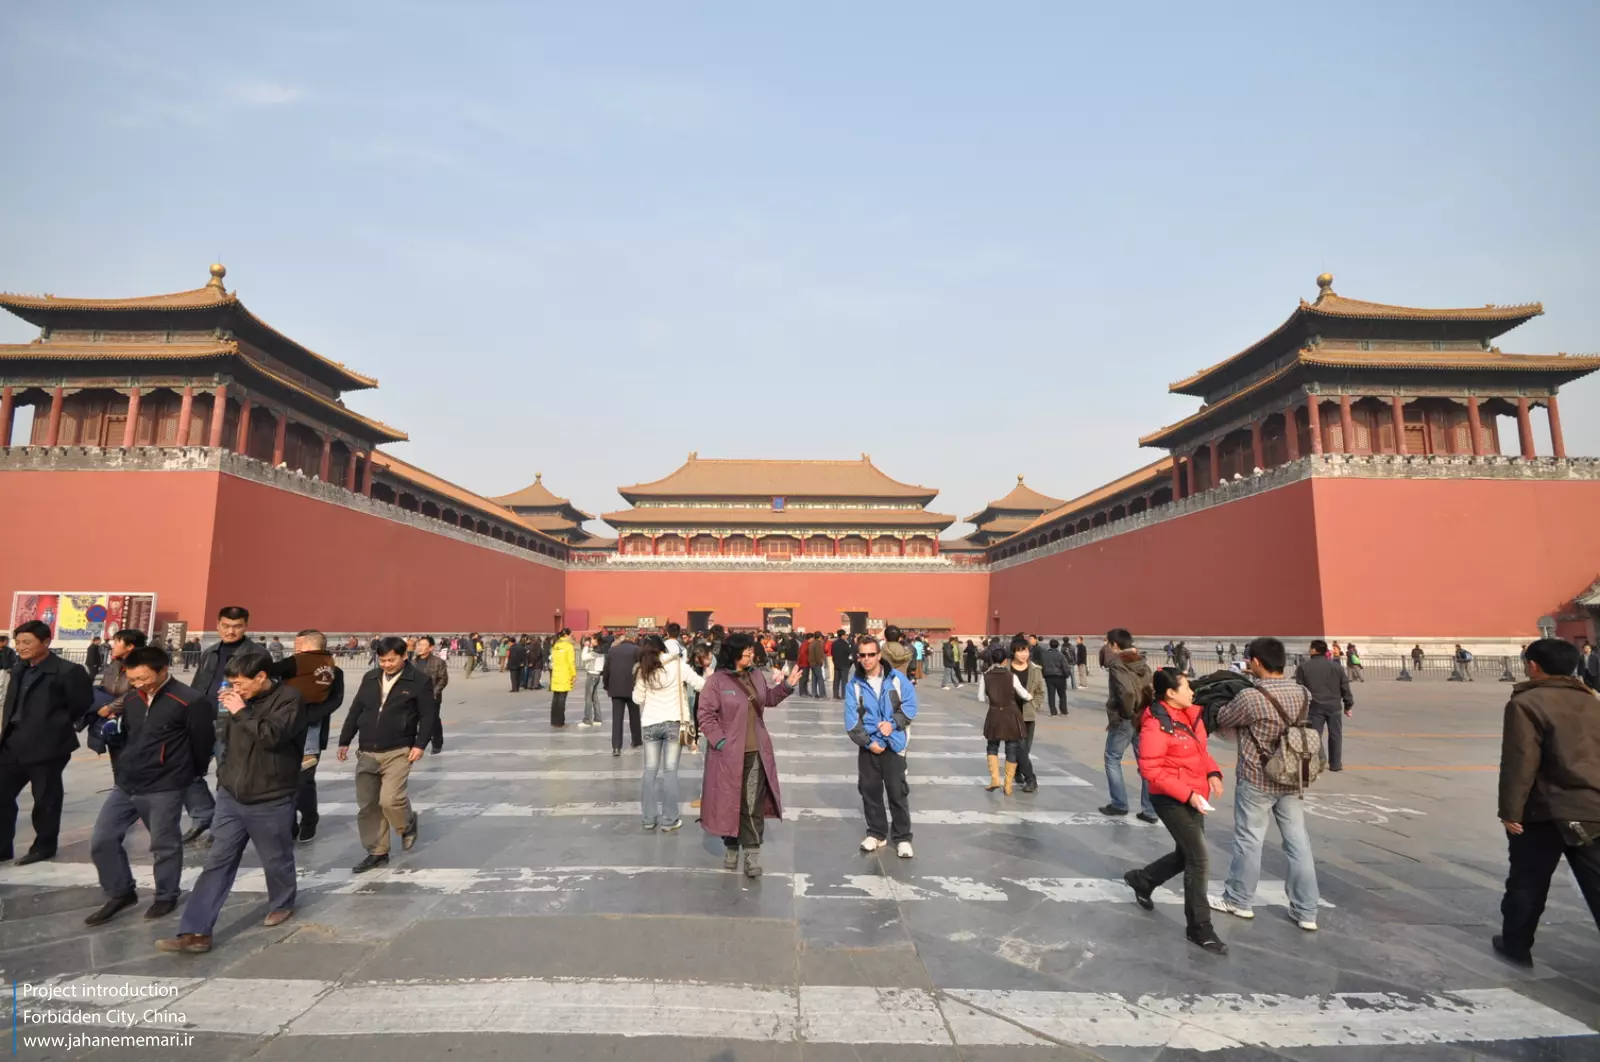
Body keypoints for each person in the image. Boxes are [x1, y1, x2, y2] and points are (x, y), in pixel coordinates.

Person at [155, 648, 305, 953]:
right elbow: (223, 739)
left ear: (261, 677)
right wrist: (223, 776)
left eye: (240, 683)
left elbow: (272, 735)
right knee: (217, 862)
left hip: (270, 796)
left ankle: (282, 901)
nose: (235, 689)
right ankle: (195, 931)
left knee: (275, 859)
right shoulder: (236, 702)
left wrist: (241, 710)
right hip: (231, 797)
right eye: (232, 684)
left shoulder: (289, 699)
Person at [85, 645, 213, 925]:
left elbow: (202, 743)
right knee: (103, 840)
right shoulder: (132, 699)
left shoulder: (189, 701)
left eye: (144, 678)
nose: (138, 684)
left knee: (163, 844)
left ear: (163, 670)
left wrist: (186, 774)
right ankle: (120, 891)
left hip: (165, 784)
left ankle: (166, 895)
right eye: (133, 679)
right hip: (127, 781)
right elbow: (131, 735)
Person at [1493, 638, 1600, 967]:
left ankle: (1516, 946)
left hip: (1544, 811)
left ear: (1534, 666)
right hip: (1592, 810)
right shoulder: (1594, 701)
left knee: (1527, 882)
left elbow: (1520, 761)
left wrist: (1510, 811)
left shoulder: (1527, 703)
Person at [1211, 636, 1321, 931]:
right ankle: (1306, 910)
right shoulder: (1302, 693)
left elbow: (1224, 716)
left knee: (1249, 840)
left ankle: (1239, 900)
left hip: (1257, 780)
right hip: (1292, 777)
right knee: (1298, 844)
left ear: (1256, 662)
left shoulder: (1250, 697)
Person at [1122, 667, 1228, 954]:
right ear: (1170, 692)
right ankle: (1199, 928)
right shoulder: (1155, 724)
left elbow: (1200, 753)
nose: (1192, 691)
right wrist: (1188, 794)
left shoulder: (1191, 716)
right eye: (1187, 687)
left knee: (1187, 855)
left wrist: (1213, 772)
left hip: (1194, 794)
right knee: (1199, 859)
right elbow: (1150, 769)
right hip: (1170, 798)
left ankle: (1143, 880)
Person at [697, 632, 797, 877]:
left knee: (751, 803)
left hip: (755, 752)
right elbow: (705, 716)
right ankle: (731, 847)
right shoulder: (717, 681)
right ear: (733, 653)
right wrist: (721, 742)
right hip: (726, 756)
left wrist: (787, 686)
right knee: (728, 802)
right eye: (747, 650)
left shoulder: (755, 675)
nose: (752, 653)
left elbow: (768, 699)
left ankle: (752, 854)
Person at [339, 636, 437, 873]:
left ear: (405, 656)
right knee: (369, 805)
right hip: (368, 750)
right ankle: (377, 851)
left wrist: (420, 744)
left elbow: (428, 715)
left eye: (391, 660)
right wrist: (345, 740)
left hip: (399, 749)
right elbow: (356, 709)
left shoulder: (419, 681)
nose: (386, 664)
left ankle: (407, 824)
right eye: (382, 660)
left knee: (390, 799)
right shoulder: (370, 678)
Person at [0, 621, 93, 865]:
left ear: (46, 642)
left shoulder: (67, 671)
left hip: (48, 744)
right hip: (12, 742)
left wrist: (55, 725)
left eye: (27, 642)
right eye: (18, 642)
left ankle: (44, 846)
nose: (21, 647)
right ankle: (2, 846)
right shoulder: (19, 668)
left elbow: (81, 703)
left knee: (46, 799)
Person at [186, 606, 262, 844]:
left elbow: (265, 689)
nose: (231, 631)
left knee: (226, 776)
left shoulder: (257, 654)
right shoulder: (210, 652)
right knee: (184, 769)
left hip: (232, 724)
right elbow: (198, 686)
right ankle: (202, 815)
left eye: (237, 626)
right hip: (201, 722)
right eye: (226, 626)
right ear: (218, 625)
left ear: (246, 626)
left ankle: (223, 824)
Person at [845, 634, 918, 857]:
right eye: (862, 655)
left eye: (871, 655)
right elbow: (851, 720)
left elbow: (911, 705)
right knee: (870, 791)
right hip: (869, 746)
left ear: (879, 655)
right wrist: (868, 743)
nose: (867, 659)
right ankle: (877, 833)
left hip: (894, 744)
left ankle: (902, 837)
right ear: (858, 657)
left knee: (897, 791)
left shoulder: (896, 679)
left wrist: (894, 723)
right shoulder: (854, 685)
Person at [268, 630, 344, 842]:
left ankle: (310, 819)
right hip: (285, 729)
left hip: (311, 730)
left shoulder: (334, 672)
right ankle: (289, 825)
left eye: (298, 646)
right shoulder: (291, 667)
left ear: (309, 647)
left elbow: (336, 700)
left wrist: (309, 715)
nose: (295, 650)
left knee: (304, 781)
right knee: (283, 780)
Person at [632, 634, 704, 832]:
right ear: (663, 647)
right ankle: (669, 820)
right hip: (674, 723)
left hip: (650, 723)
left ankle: (648, 818)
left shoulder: (644, 669)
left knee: (650, 770)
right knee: (670, 771)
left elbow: (637, 699)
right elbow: (700, 684)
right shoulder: (678, 665)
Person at [1103, 628, 1157, 823]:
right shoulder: (1141, 662)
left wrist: (1127, 713)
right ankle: (1149, 810)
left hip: (1127, 718)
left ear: (1115, 645)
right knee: (1145, 762)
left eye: (1108, 643)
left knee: (1112, 758)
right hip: (1144, 717)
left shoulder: (1117, 664)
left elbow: (1126, 692)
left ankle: (1119, 803)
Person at [1295, 640, 1354, 772]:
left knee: (1315, 735)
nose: (1309, 650)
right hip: (1334, 705)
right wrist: (1348, 705)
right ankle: (1336, 764)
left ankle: (1321, 759)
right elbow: (1345, 687)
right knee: (1336, 734)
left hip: (1314, 706)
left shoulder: (1303, 667)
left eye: (1310, 648)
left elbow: (1300, 689)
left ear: (1314, 650)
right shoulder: (1337, 667)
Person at [980, 645, 1026, 795]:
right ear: (1005, 661)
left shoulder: (985, 676)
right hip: (1011, 714)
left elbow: (981, 698)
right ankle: (1008, 785)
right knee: (1011, 748)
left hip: (994, 714)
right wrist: (1030, 698)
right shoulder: (1012, 676)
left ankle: (994, 779)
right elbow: (1023, 694)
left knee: (992, 746)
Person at [1008, 637, 1045, 793]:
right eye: (1020, 651)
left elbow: (1040, 692)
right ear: (1013, 652)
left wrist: (1034, 705)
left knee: (1025, 748)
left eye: (1026, 651)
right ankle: (1031, 779)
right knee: (1020, 748)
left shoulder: (1035, 670)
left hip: (1028, 715)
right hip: (1010, 715)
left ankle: (1018, 771)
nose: (1024, 654)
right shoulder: (1006, 669)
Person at [602, 631, 642, 754]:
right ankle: (636, 740)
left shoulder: (612, 650)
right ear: (634, 638)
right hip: (632, 688)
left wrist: (606, 685)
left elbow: (606, 670)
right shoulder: (637, 650)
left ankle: (616, 746)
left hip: (616, 688)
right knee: (634, 716)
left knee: (617, 718)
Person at [413, 635, 448, 753]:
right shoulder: (412, 662)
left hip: (432, 697)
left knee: (433, 721)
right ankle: (417, 743)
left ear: (430, 647)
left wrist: (433, 693)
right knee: (413, 719)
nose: (420, 647)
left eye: (423, 645)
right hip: (415, 697)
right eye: (419, 645)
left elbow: (443, 680)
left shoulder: (439, 662)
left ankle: (437, 743)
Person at [549, 628, 576, 726]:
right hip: (565, 674)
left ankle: (554, 720)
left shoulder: (556, 645)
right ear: (566, 635)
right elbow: (571, 662)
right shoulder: (568, 646)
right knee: (562, 699)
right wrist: (573, 674)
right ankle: (560, 721)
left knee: (555, 698)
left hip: (556, 674)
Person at [580, 635, 607, 727]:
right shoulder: (601, 651)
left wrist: (586, 646)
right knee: (594, 698)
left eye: (592, 640)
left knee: (588, 698)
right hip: (597, 675)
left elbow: (584, 657)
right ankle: (598, 719)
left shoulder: (595, 652)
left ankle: (587, 720)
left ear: (596, 641)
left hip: (591, 675)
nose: (591, 641)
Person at [1040, 639, 1069, 716]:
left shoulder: (1044, 655)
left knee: (1051, 694)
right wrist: (1066, 674)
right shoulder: (1060, 655)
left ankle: (1053, 711)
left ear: (1049, 645)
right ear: (1058, 646)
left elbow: (1042, 665)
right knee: (1062, 694)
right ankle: (1063, 710)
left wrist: (1044, 674)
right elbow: (1065, 666)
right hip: (1060, 676)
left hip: (1048, 676)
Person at [831, 631, 854, 700]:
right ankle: (844, 695)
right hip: (844, 664)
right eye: (845, 635)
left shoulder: (834, 643)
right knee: (844, 681)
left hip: (836, 664)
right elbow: (850, 653)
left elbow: (832, 653)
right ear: (843, 636)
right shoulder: (845, 644)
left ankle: (835, 695)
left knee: (836, 681)